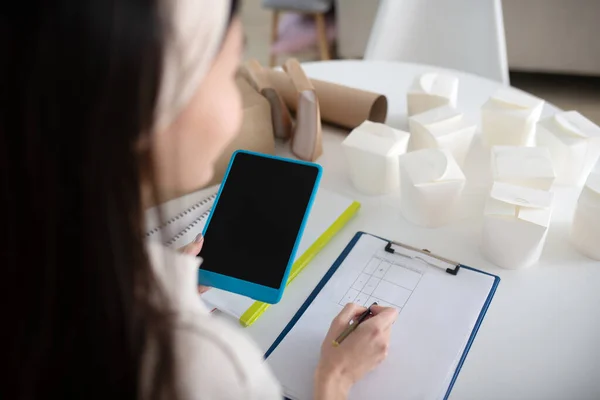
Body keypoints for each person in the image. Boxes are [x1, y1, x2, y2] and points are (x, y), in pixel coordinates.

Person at [1, 0, 398, 399]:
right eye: (228, 75)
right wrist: (336, 377)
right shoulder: (206, 366)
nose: (236, 109)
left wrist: (159, 285)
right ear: (150, 111)